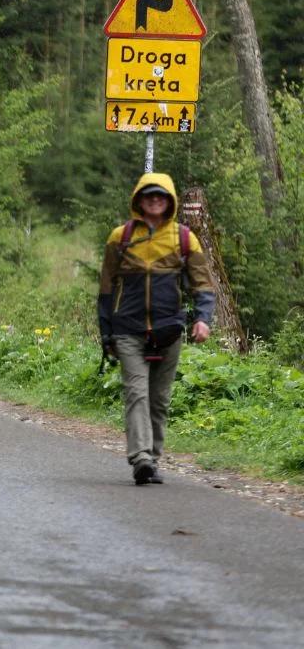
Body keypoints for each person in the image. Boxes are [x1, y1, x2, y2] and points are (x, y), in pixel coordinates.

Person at [98, 173, 215, 486]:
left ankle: (153, 457)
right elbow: (107, 289)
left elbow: (202, 284)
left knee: (159, 400)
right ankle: (141, 459)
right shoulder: (119, 237)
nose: (154, 200)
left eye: (160, 196)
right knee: (136, 393)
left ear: (170, 201)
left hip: (169, 330)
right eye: (148, 195)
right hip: (128, 329)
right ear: (138, 200)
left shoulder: (184, 238)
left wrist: (203, 318)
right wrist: (106, 332)